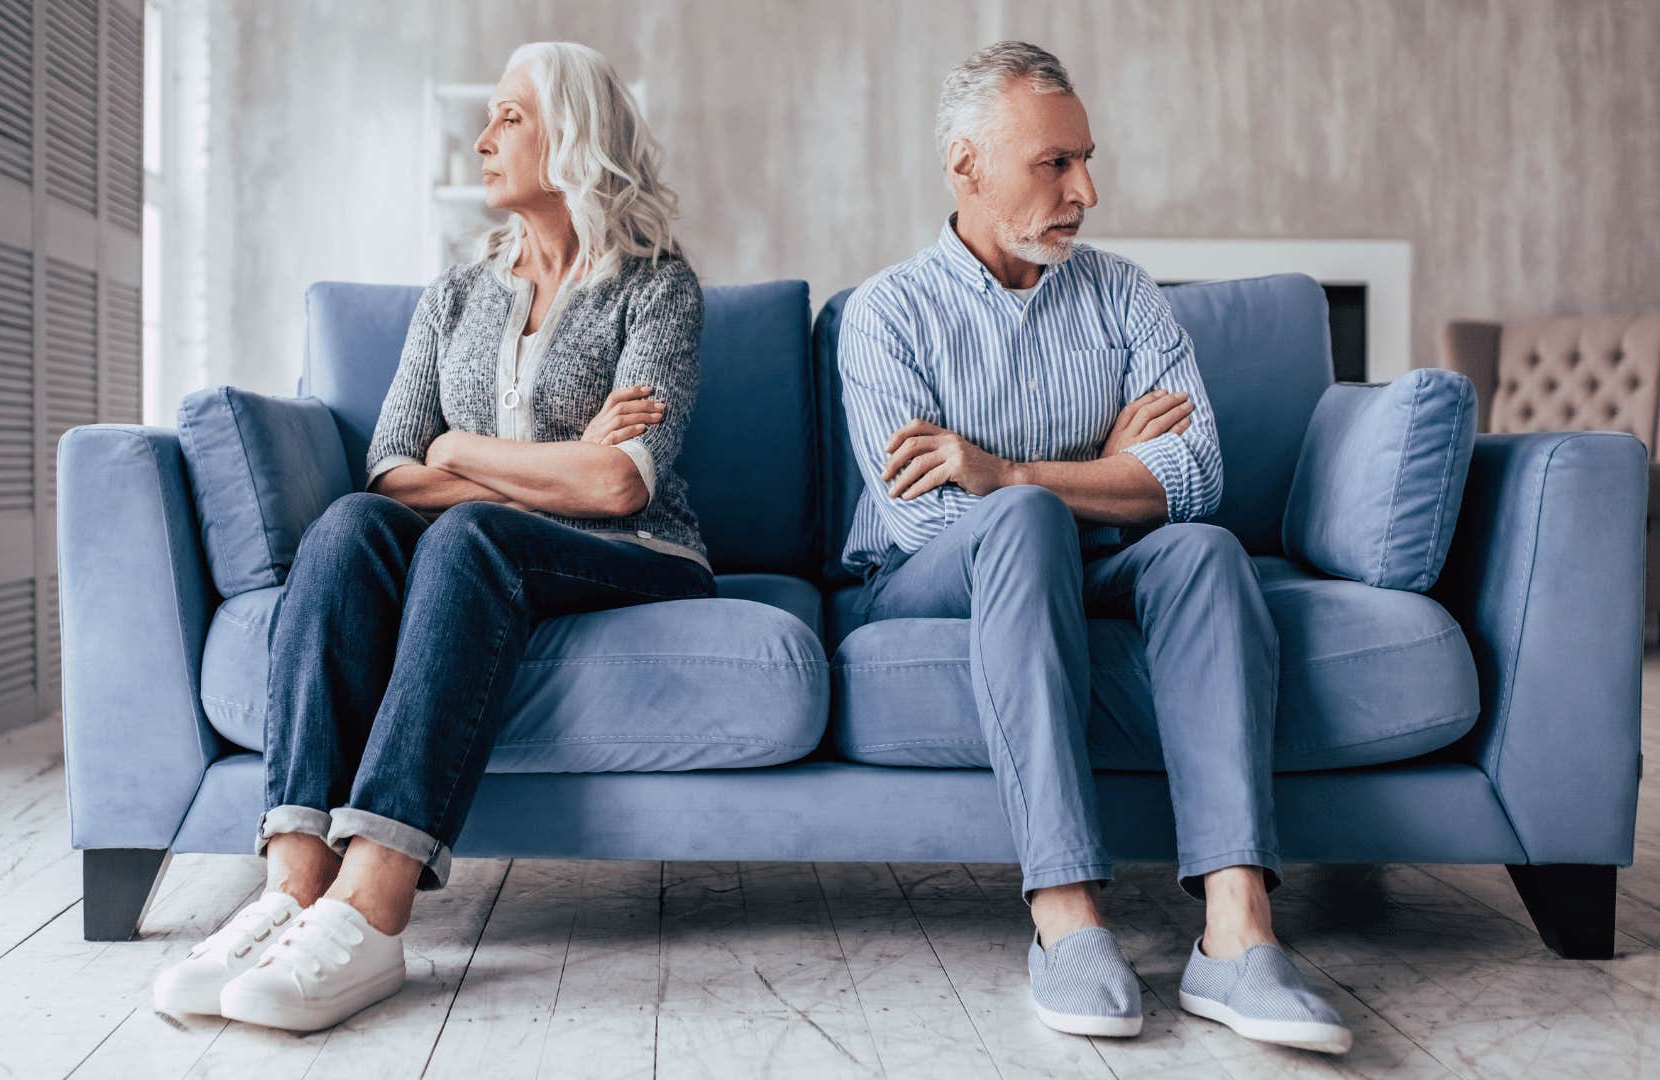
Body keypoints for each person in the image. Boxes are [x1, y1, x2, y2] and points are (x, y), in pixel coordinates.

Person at [152, 41, 714, 1033]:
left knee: (468, 537)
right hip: (501, 532)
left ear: (572, 138)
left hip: (638, 556)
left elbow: (622, 485)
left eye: (509, 118)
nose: (482, 137)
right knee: (351, 524)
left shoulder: (658, 291)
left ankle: (373, 908)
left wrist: (466, 453)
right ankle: (291, 882)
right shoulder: (455, 294)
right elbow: (392, 468)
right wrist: (528, 457)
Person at [837, 41, 1351, 1054]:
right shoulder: (886, 315)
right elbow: (930, 520)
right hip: (920, 584)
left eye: (1086, 159)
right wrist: (1101, 479)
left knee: (1201, 550)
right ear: (966, 165)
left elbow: (1197, 476)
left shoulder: (1123, 293)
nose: (1089, 190)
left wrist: (1011, 470)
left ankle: (1236, 935)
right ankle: (1068, 918)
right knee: (1018, 525)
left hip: (1068, 551)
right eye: (1054, 164)